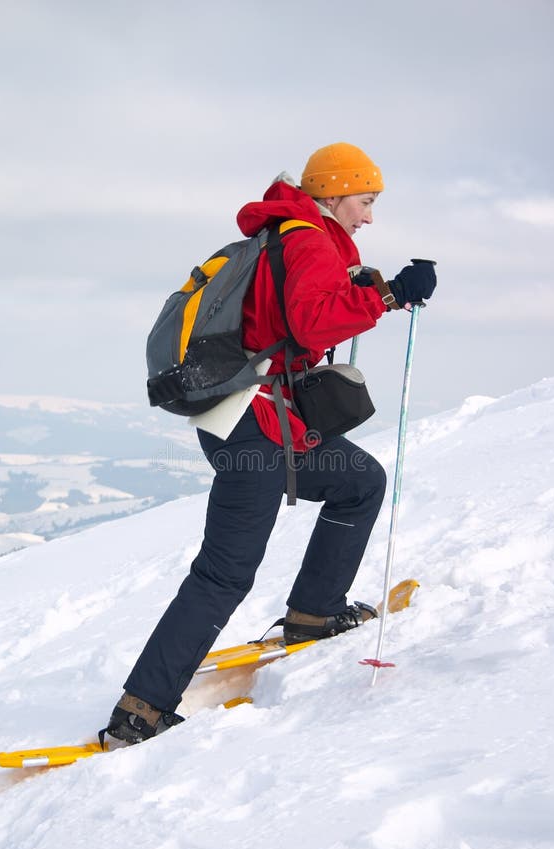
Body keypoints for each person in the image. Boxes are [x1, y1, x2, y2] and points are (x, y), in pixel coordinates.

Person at [102, 142, 437, 745]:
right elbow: (311, 322)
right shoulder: (307, 237)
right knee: (225, 573)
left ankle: (314, 613)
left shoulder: (290, 234)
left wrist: (370, 287)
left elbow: (297, 313)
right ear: (333, 193)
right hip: (253, 428)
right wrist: (387, 297)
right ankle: (140, 712)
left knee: (359, 482)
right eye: (364, 201)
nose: (369, 216)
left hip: (254, 421)